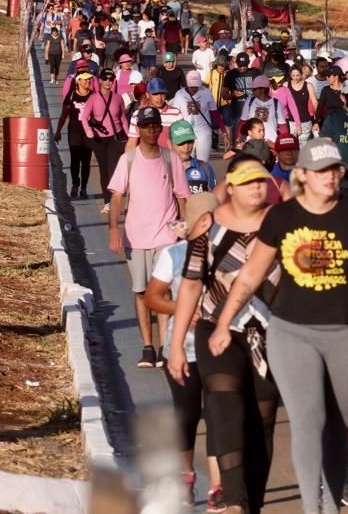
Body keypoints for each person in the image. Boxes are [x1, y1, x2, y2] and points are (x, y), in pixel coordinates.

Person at [208, 139, 348, 514]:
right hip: (292, 332)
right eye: (321, 171)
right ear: (301, 174)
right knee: (308, 419)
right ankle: (313, 508)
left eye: (335, 170)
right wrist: (223, 323)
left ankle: (331, 500)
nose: (331, 178)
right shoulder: (282, 218)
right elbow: (251, 274)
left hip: (347, 333)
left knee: (338, 427)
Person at [168, 163, 283, 514]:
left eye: (261, 182)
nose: (256, 188)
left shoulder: (282, 226)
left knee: (261, 424)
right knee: (224, 401)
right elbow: (190, 285)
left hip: (268, 336)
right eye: (247, 183)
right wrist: (175, 347)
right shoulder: (209, 228)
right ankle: (232, 499)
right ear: (230, 187)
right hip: (215, 329)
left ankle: (252, 503)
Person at [142, 195, 223, 508]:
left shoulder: (229, 254)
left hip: (219, 350)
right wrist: (184, 309)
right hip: (183, 350)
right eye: (208, 220)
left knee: (219, 417)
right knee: (187, 416)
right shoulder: (174, 255)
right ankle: (186, 473)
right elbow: (152, 297)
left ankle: (217, 487)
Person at [108, 105, 190, 368]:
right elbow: (117, 195)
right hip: (136, 236)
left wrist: (183, 228)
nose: (152, 131)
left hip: (166, 236)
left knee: (163, 292)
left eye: (155, 126)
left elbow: (181, 195)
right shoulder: (128, 160)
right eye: (146, 127)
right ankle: (147, 347)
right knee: (142, 292)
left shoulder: (171, 158)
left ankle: (166, 346)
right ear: (139, 129)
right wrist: (113, 229)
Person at [79, 68, 127, 214]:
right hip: (99, 139)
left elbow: (123, 119)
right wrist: (88, 130)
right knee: (104, 170)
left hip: (115, 138)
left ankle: (115, 200)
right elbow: (84, 117)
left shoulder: (118, 98)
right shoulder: (93, 98)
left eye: (111, 79)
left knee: (113, 169)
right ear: (99, 80)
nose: (108, 82)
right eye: (105, 79)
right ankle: (107, 202)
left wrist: (131, 136)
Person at [54, 71, 97, 199]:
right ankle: (75, 184)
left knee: (86, 161)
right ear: (78, 81)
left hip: (88, 133)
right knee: (75, 160)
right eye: (84, 80)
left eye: (89, 80)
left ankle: (83, 187)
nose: (87, 82)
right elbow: (64, 115)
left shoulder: (94, 96)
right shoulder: (71, 96)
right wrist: (58, 131)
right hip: (74, 132)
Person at [171, 70, 223, 163]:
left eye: (196, 86)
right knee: (186, 162)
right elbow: (175, 115)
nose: (194, 89)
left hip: (203, 132)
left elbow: (215, 112)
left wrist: (224, 131)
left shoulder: (206, 92)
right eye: (191, 86)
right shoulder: (179, 95)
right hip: (185, 133)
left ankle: (204, 177)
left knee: (202, 163)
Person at [169, 120, 217, 194]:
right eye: (181, 143)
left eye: (190, 141)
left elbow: (216, 196)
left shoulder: (205, 168)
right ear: (170, 144)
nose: (186, 147)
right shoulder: (163, 169)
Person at [274, 62, 316, 144]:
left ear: (302, 74)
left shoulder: (308, 85)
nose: (296, 78)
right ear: (290, 75)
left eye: (298, 75)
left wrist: (317, 118)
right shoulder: (286, 85)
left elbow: (314, 101)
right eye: (293, 75)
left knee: (303, 146)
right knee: (291, 145)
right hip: (290, 121)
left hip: (305, 121)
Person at [238, 75, 287, 146]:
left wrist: (285, 143)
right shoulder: (250, 101)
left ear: (263, 89)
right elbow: (242, 121)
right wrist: (238, 139)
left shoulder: (276, 103)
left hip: (271, 142)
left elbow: (282, 125)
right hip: (252, 142)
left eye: (254, 89)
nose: (252, 90)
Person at [223, 53, 261, 141]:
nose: (243, 68)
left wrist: (257, 93)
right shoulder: (231, 74)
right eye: (240, 65)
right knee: (238, 140)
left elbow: (264, 90)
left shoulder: (255, 72)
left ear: (248, 63)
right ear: (236, 63)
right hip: (237, 112)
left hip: (254, 112)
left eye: (245, 65)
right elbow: (224, 95)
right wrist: (233, 95)